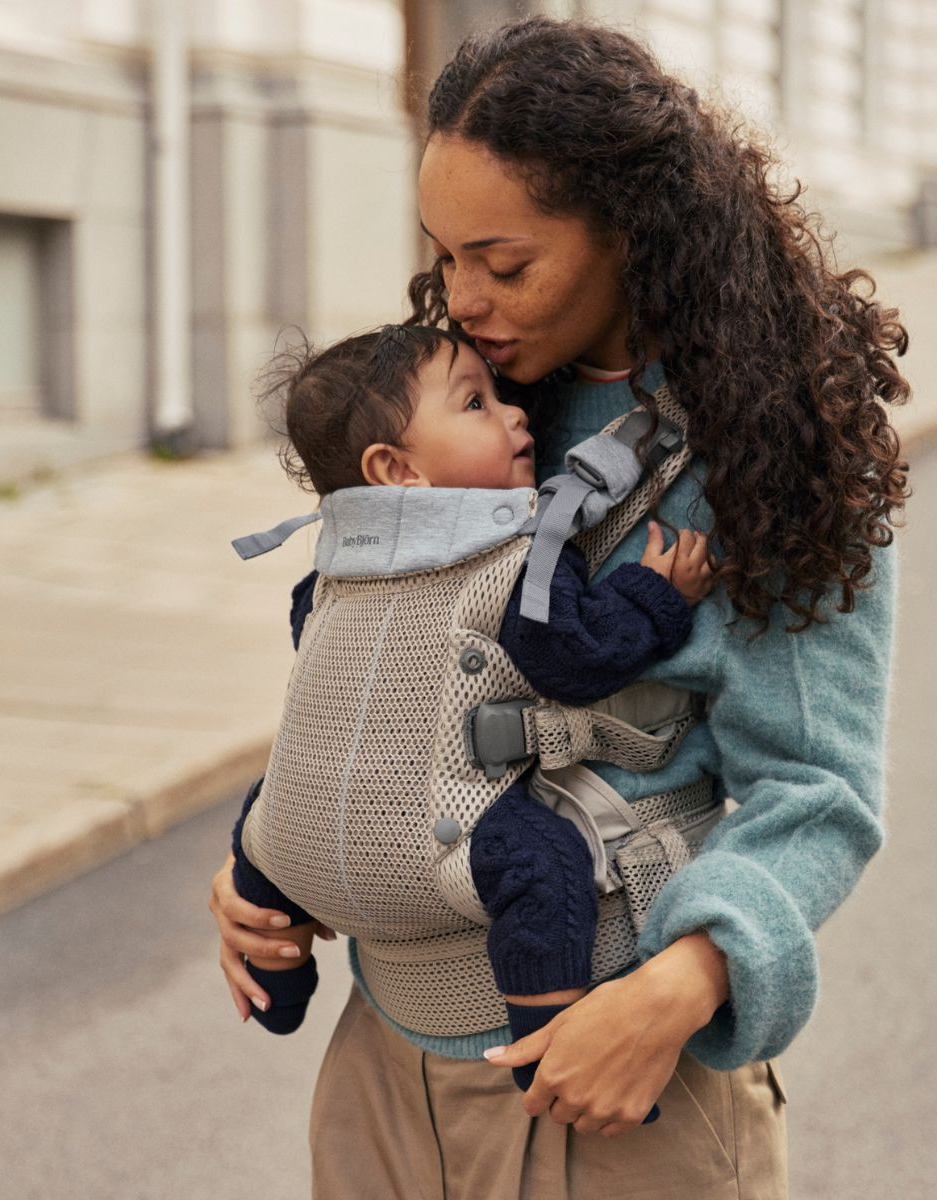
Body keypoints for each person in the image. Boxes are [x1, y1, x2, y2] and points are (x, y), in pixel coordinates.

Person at [209, 17, 909, 1197]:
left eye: (504, 263)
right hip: (383, 1074)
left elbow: (818, 792)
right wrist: (271, 865)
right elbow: (365, 657)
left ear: (630, 230)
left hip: (613, 1082)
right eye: (444, 257)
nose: (463, 300)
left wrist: (678, 989)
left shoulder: (770, 446)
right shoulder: (468, 407)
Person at [230, 325, 714, 1122]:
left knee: (263, 817)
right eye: (476, 404)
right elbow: (575, 655)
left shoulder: (327, 572)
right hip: (439, 834)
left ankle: (272, 985)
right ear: (398, 471)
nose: (515, 413)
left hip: (288, 838)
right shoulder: (516, 559)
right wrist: (656, 597)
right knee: (544, 864)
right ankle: (552, 1054)